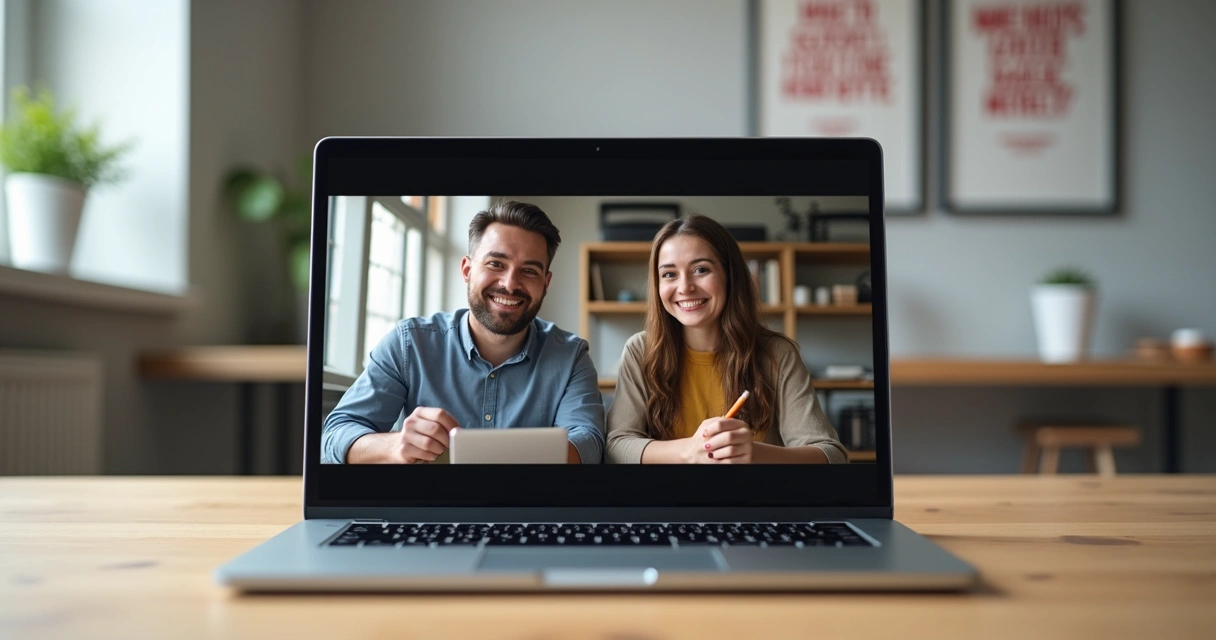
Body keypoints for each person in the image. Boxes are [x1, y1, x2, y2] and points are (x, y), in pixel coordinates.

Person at [322, 200, 605, 465]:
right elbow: (334, 437)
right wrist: (395, 445)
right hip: (426, 509)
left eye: (529, 271)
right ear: (467, 270)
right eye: (496, 264)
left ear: (546, 283)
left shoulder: (571, 356)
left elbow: (589, 445)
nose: (510, 284)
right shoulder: (410, 343)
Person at [605, 215, 847, 464]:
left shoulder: (777, 353)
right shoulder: (640, 350)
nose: (685, 287)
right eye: (669, 274)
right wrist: (689, 451)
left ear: (730, 275)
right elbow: (615, 447)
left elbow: (833, 456)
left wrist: (755, 453)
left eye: (701, 270)